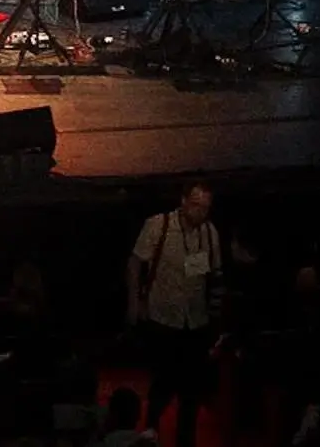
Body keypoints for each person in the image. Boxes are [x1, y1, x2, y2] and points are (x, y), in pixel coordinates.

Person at [126, 181, 221, 447]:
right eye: (196, 205)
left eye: (205, 208)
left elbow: (214, 274)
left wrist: (215, 316)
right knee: (162, 383)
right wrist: (134, 304)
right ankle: (152, 433)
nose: (200, 212)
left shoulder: (208, 233)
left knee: (191, 391)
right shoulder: (159, 226)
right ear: (182, 201)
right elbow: (134, 264)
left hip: (196, 321)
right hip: (163, 319)